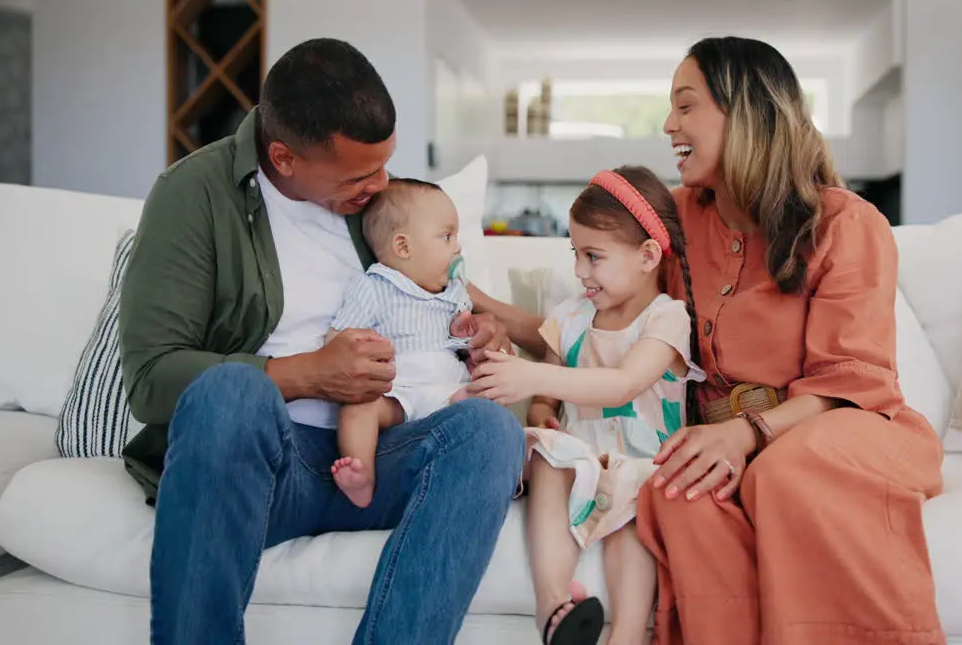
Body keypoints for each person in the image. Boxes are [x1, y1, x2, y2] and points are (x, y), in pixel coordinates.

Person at [472, 36, 946, 645]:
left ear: (744, 113)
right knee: (674, 489)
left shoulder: (847, 223)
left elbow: (849, 383)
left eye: (686, 105)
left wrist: (744, 435)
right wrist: (483, 311)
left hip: (841, 429)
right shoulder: (675, 219)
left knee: (784, 473)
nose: (669, 125)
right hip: (729, 441)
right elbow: (599, 316)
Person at [118, 37, 525, 645]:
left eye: (385, 164)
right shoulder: (194, 195)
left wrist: (474, 334)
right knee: (229, 392)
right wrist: (308, 373)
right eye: (360, 174)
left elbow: (455, 304)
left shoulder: (379, 208)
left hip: (376, 456)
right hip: (265, 467)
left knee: (490, 431)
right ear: (283, 157)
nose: (380, 185)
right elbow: (152, 381)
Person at [470, 166, 704, 645]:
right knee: (546, 455)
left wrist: (531, 373)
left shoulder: (667, 318)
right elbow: (546, 399)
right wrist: (540, 412)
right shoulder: (571, 317)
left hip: (643, 464)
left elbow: (623, 384)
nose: (579, 271)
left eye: (593, 257)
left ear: (647, 256)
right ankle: (554, 606)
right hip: (582, 459)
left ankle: (629, 632)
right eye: (575, 253)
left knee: (633, 507)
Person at [326, 177, 477, 507]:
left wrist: (465, 333)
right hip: (396, 391)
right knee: (358, 406)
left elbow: (460, 347)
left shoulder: (454, 293)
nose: (457, 248)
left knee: (489, 400)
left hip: (448, 390)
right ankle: (361, 472)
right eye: (446, 236)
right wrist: (357, 348)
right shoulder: (375, 286)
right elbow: (339, 340)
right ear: (404, 247)